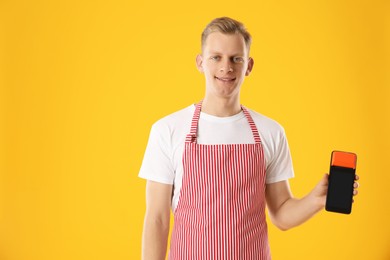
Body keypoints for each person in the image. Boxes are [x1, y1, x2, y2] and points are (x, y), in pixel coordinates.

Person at [139, 17, 359, 260]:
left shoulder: (270, 131)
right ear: (200, 63)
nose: (226, 67)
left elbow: (282, 215)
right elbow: (157, 219)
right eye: (216, 57)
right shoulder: (167, 130)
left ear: (249, 66)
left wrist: (318, 200)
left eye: (236, 58)